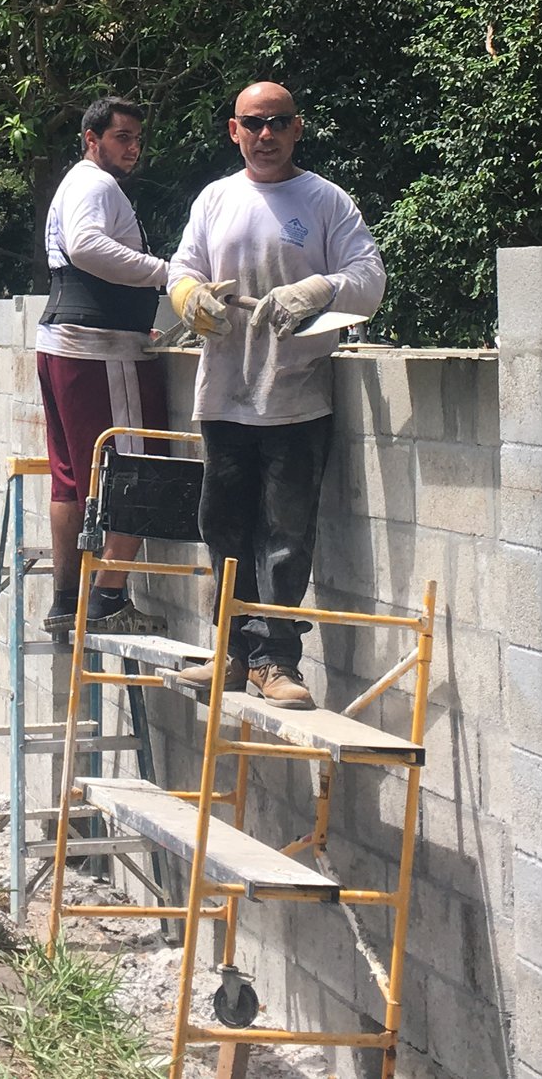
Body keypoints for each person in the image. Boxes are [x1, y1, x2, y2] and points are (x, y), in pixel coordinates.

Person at [166, 82, 385, 709]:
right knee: (224, 526)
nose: (266, 135)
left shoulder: (324, 201)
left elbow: (368, 280)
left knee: (286, 534)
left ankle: (275, 662)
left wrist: (319, 289)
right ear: (234, 130)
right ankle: (233, 655)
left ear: (297, 129)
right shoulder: (216, 199)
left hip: (295, 397)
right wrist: (188, 297)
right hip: (225, 395)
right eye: (254, 124)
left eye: (278, 122)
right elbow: (183, 267)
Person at [34, 96, 173, 640]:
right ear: (91, 139)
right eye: (121, 137)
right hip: (100, 350)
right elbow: (87, 247)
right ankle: (108, 599)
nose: (133, 148)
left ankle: (67, 601)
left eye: (138, 138)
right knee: (142, 466)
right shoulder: (95, 184)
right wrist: (170, 274)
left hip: (66, 346)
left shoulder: (78, 184)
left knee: (72, 477)